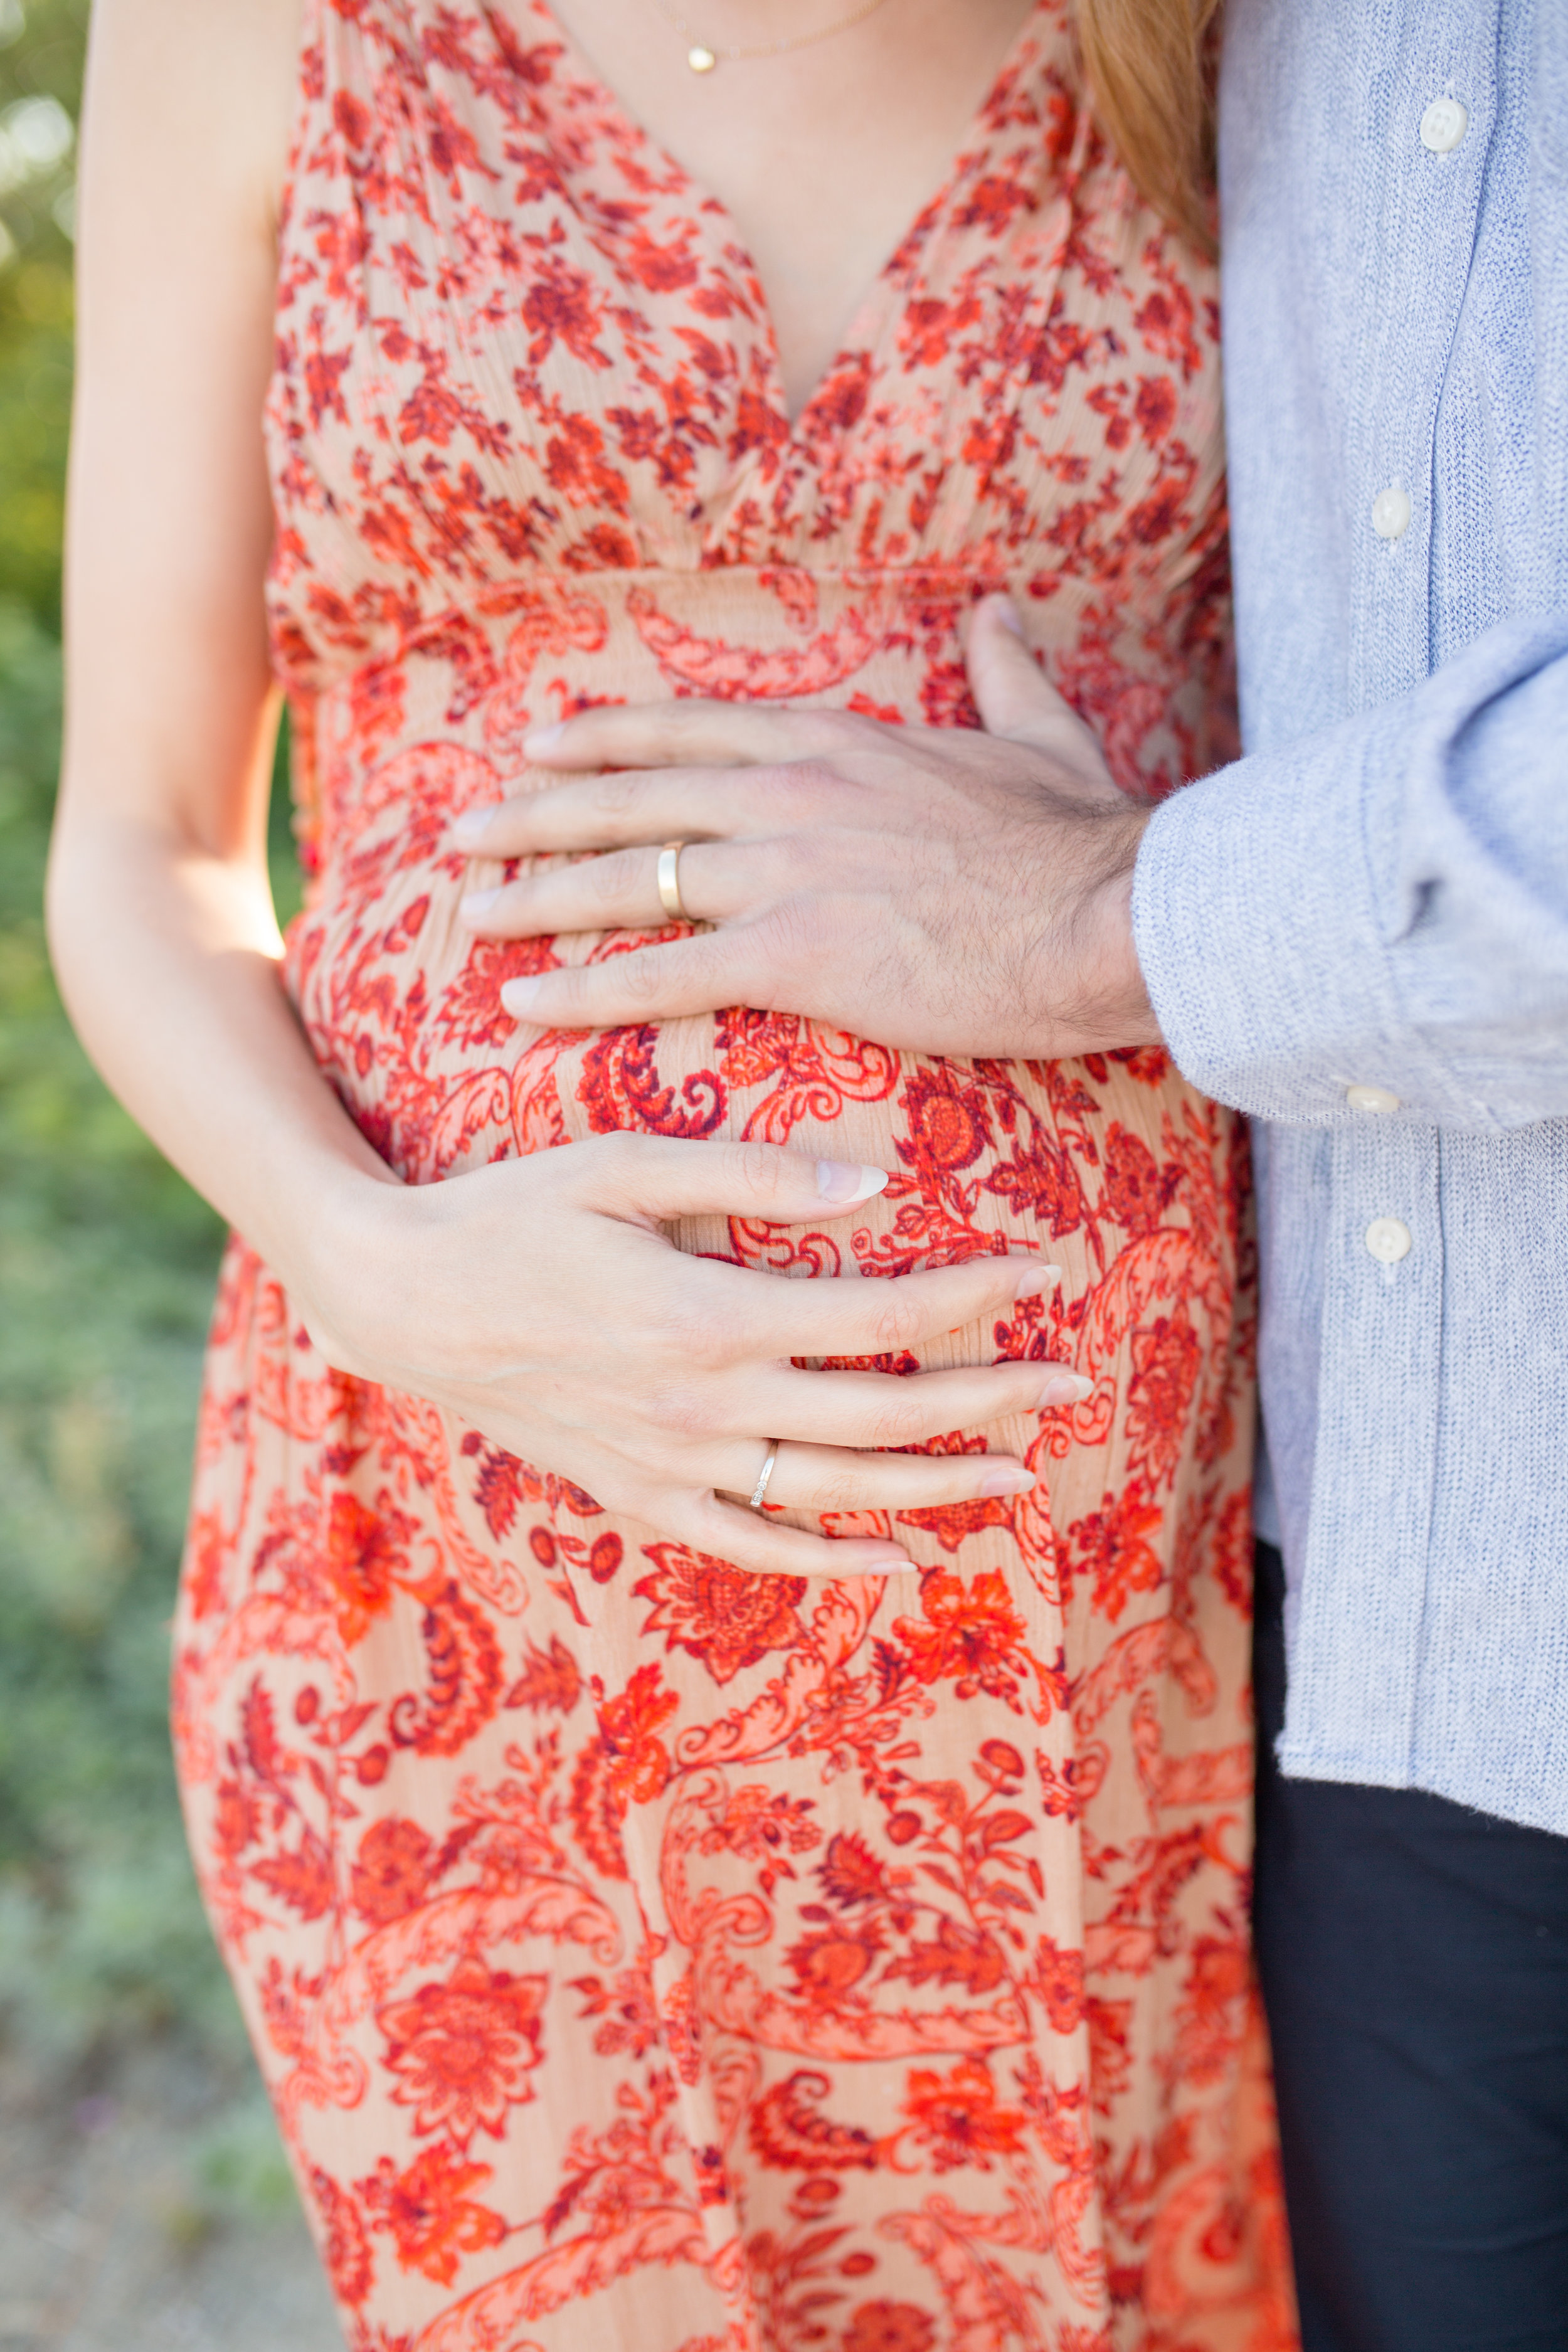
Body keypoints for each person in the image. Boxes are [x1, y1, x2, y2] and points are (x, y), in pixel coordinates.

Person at [48, 0, 1293, 2342]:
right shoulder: (253, 26)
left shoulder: (1212, 36)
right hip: (459, 1581)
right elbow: (134, 845)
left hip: (1104, 1644)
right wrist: (364, 1257)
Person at [489, 1, 1568, 2346]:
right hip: (1359, 1628)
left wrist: (1099, 917)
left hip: (1150, 1617)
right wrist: (383, 1259)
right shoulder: (1213, 33)